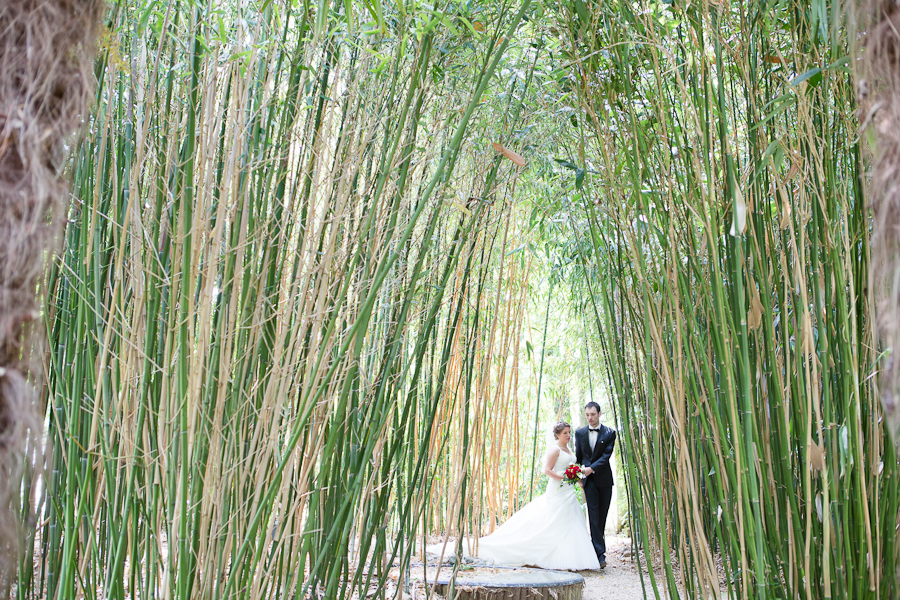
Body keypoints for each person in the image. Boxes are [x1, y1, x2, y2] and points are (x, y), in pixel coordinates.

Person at [427, 422, 599, 571]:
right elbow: (547, 470)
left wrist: (576, 479)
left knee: (570, 519)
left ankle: (571, 557)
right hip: (557, 488)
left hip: (568, 490)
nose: (568, 435)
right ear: (557, 435)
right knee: (554, 519)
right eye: (565, 433)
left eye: (569, 432)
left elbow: (572, 467)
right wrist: (565, 477)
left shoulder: (568, 448)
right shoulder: (555, 450)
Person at [574, 401, 616, 569]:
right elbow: (578, 457)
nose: (590, 418)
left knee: (602, 516)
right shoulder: (579, 433)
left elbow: (606, 456)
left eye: (592, 414)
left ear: (599, 414)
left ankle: (596, 550)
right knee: (593, 515)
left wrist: (591, 469)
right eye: (587, 415)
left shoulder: (610, 433)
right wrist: (579, 477)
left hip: (604, 480)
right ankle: (600, 555)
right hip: (588, 481)